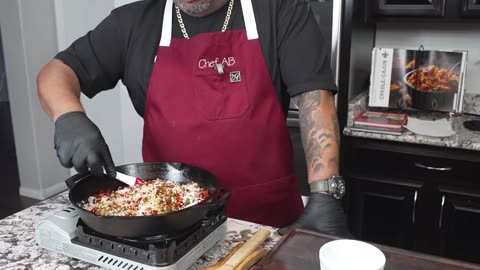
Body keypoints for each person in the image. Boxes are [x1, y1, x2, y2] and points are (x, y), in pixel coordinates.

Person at [37, 0, 351, 236]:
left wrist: (325, 193)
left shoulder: (280, 10)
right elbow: (58, 72)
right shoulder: (133, 23)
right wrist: (69, 116)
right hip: (171, 227)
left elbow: (315, 99)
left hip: (268, 227)